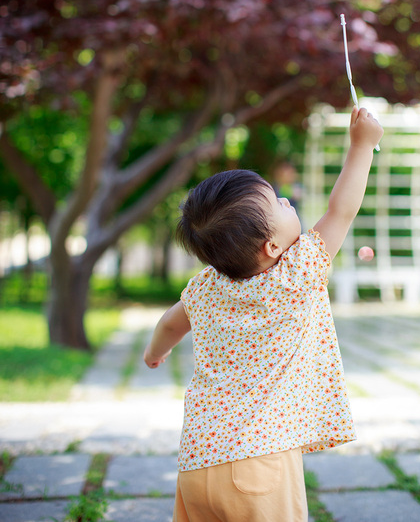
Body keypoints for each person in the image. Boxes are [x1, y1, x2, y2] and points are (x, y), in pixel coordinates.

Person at [144, 106, 383, 522]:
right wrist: (363, 145)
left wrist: (154, 353)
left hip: (197, 460)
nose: (288, 201)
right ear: (272, 247)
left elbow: (169, 323)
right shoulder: (296, 274)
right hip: (261, 460)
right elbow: (342, 209)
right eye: (279, 203)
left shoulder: (205, 287)